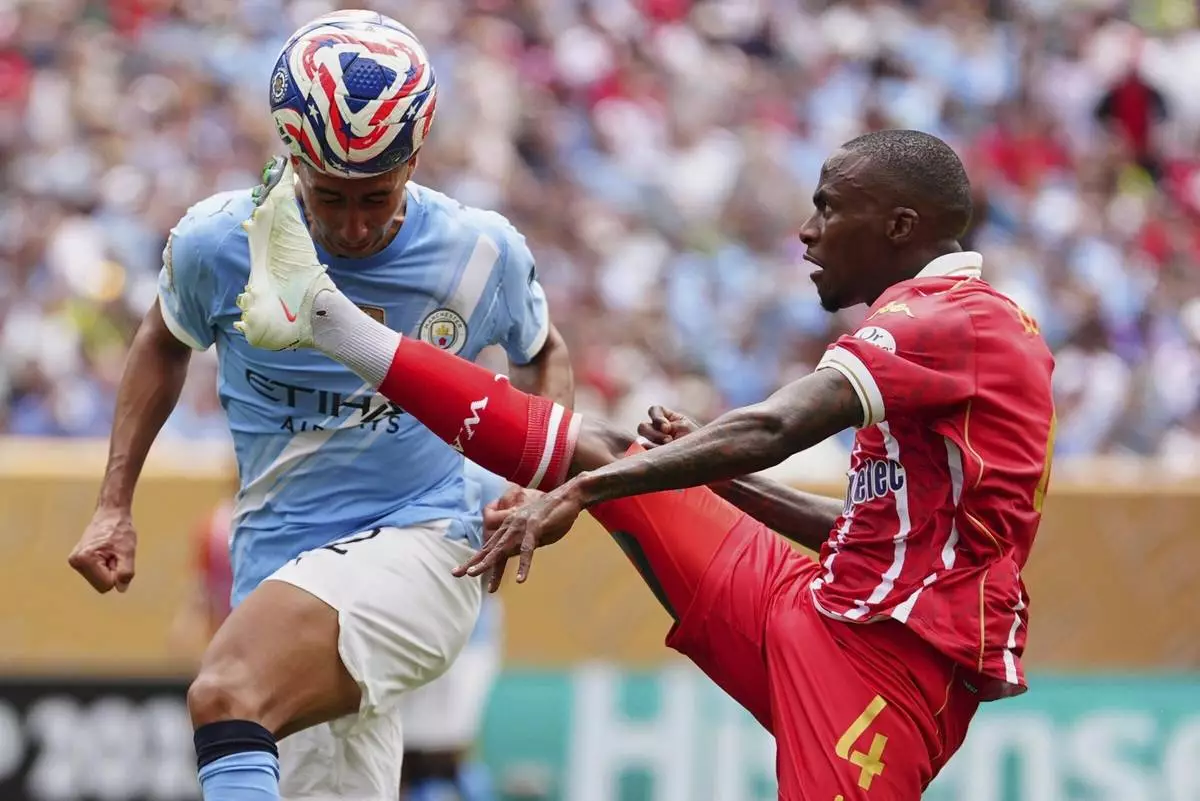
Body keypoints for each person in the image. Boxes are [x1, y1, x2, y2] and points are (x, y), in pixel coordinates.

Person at [234, 127, 1056, 799]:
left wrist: (591, 489)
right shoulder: (944, 327)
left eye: (829, 207)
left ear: (901, 226)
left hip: (888, 670)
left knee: (597, 466)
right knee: (596, 443)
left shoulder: (954, 322)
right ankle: (322, 313)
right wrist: (712, 475)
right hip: (811, 599)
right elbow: (868, 534)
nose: (808, 231)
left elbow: (778, 424)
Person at [66, 10, 573, 801]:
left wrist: (538, 487)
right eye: (330, 197)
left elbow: (542, 353)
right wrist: (112, 504)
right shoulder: (218, 243)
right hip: (276, 567)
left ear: (413, 161)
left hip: (428, 541)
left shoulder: (479, 251)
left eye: (377, 196)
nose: (355, 224)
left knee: (227, 693)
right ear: (293, 159)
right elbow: (163, 340)